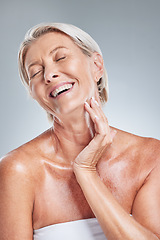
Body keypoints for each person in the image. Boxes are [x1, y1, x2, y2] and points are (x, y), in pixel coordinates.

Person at [0, 23, 160, 240]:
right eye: (36, 72)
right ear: (34, 94)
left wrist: (85, 172)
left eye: (60, 58)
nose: (49, 75)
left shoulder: (150, 157)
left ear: (96, 66)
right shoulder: (18, 170)